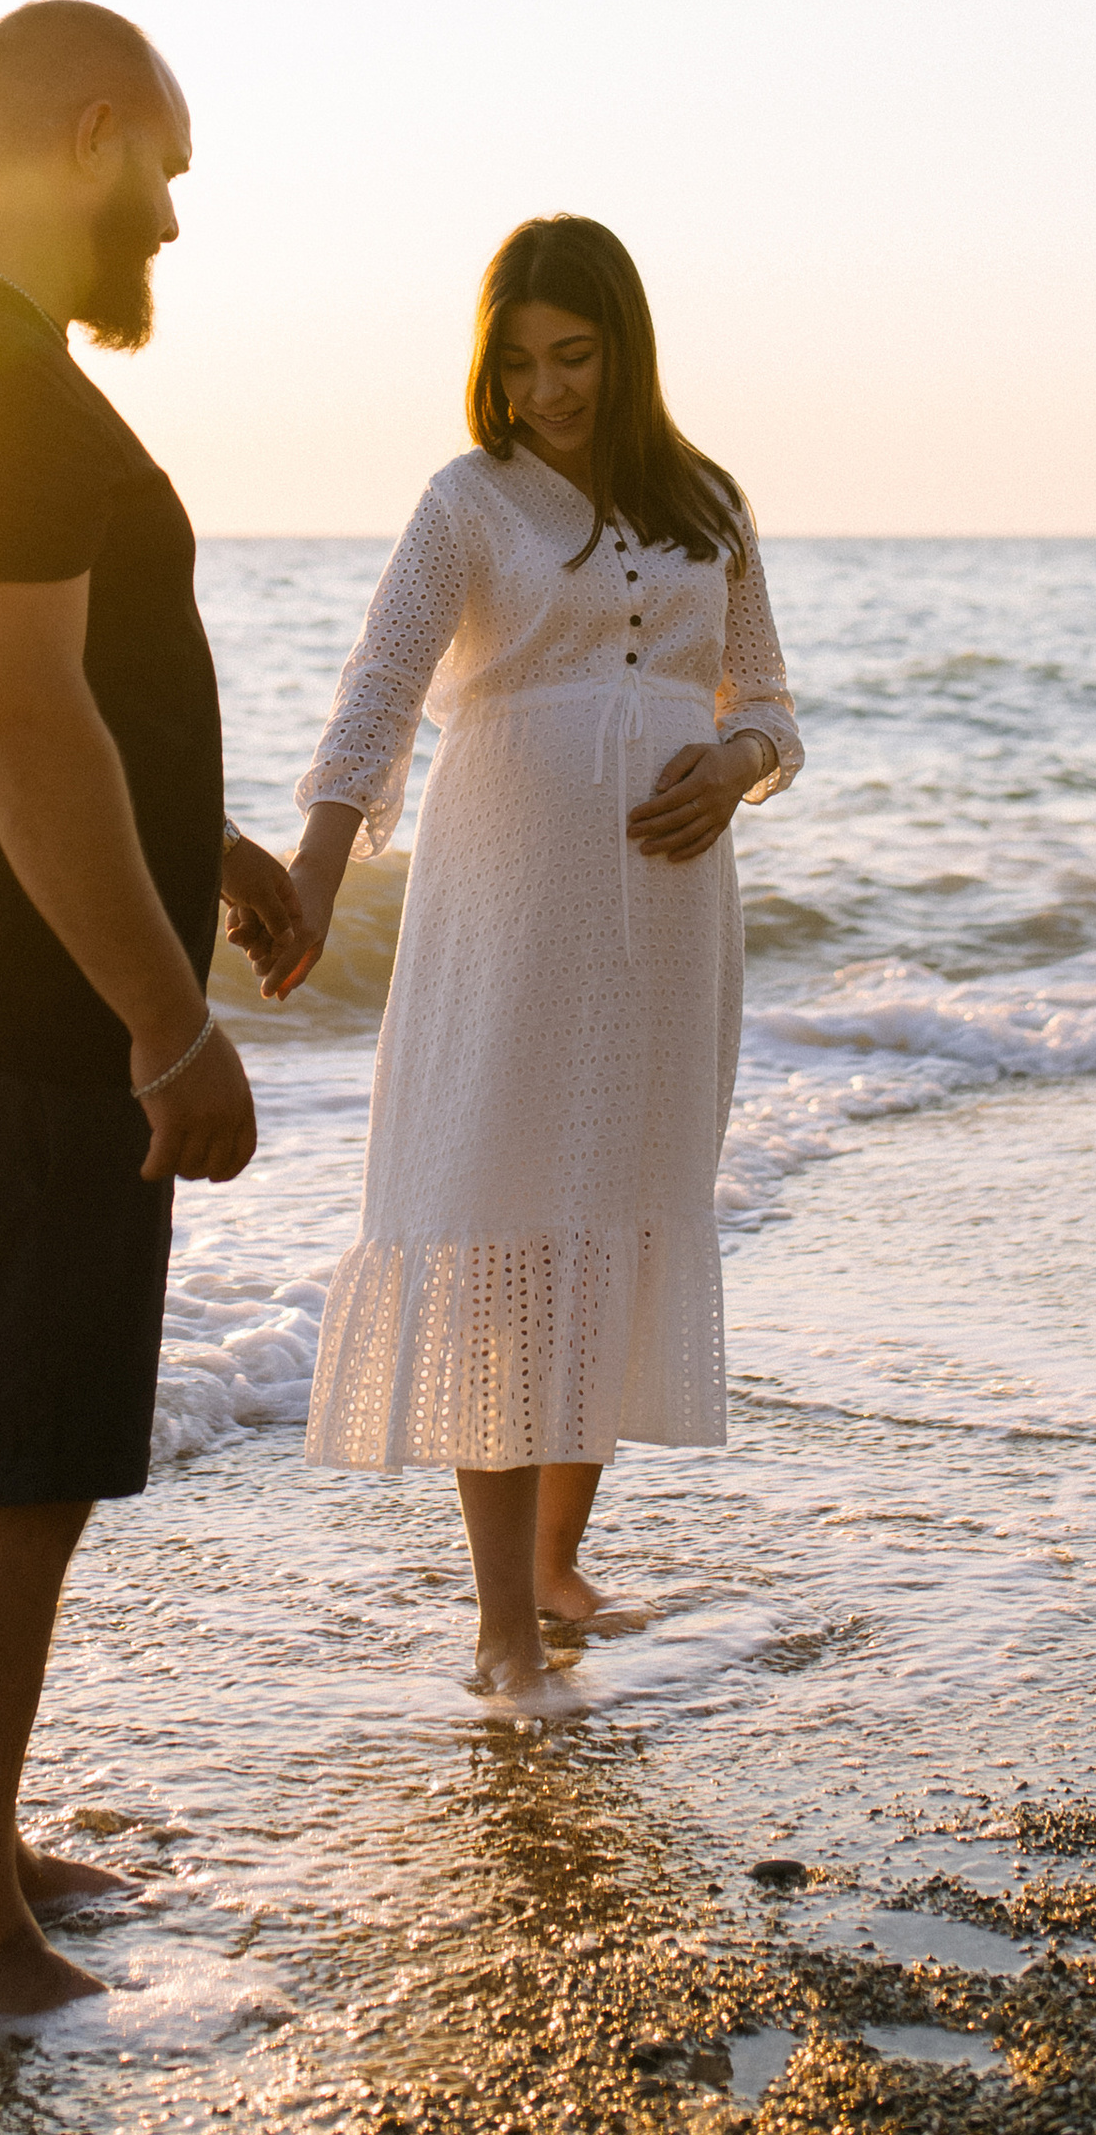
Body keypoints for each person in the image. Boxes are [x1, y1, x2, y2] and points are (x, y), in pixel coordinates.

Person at [0, 0, 313, 2016]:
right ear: (90, 135)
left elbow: (45, 701)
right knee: (17, 1470)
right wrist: (162, 1029)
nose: (172, 228)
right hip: (8, 1037)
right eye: (165, 177)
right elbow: (11, 725)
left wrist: (202, 852)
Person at [282, 213, 801, 1712]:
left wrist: (736, 758)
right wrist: (314, 873)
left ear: (625, 350)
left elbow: (768, 694)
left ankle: (562, 1564)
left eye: (573, 358)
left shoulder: (709, 505)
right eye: (517, 363)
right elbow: (379, 690)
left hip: (667, 920)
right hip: (510, 908)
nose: (546, 391)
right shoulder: (467, 502)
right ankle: (504, 1629)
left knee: (621, 1218)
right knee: (504, 1229)